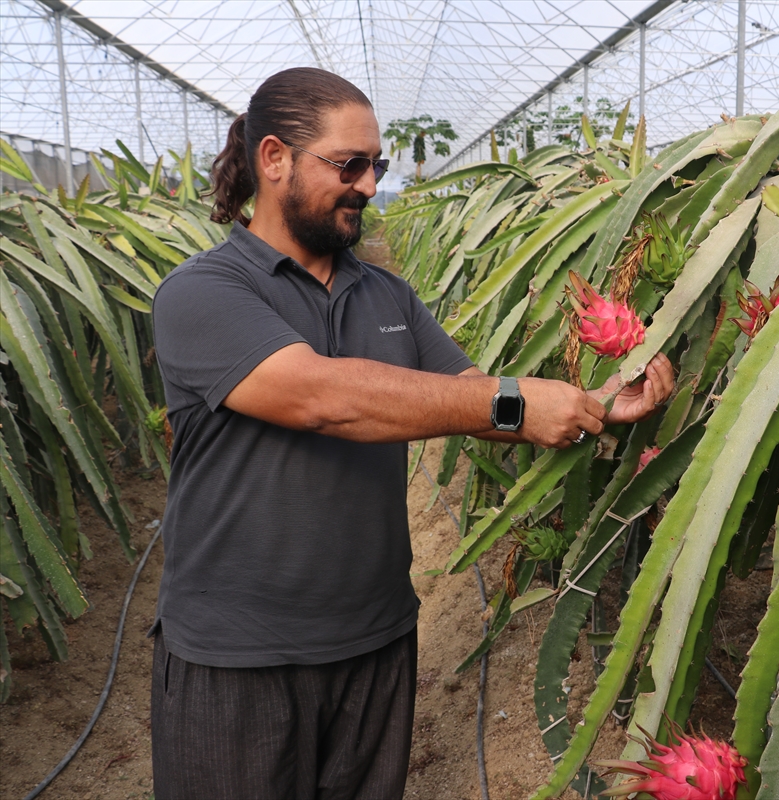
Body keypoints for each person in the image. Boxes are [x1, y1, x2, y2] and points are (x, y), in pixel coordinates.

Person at [148, 67, 674, 800]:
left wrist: (596, 403)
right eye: (349, 164)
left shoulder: (386, 293)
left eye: (377, 166)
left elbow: (462, 394)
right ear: (274, 160)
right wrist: (516, 403)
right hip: (238, 656)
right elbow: (321, 397)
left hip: (376, 642)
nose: (369, 184)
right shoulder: (203, 292)